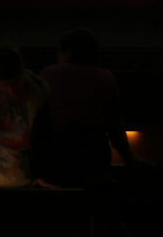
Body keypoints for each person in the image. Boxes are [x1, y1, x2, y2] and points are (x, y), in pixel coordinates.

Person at [40, 28, 134, 186]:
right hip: (94, 149)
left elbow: (40, 119)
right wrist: (129, 159)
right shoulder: (105, 77)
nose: (57, 56)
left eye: (59, 52)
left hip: (58, 149)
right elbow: (115, 123)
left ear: (68, 52)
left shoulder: (48, 74)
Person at [0, 46, 49, 188]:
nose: (12, 90)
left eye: (17, 82)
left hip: (24, 184)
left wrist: (42, 175)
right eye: (5, 85)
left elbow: (45, 141)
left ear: (23, 74)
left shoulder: (37, 99)